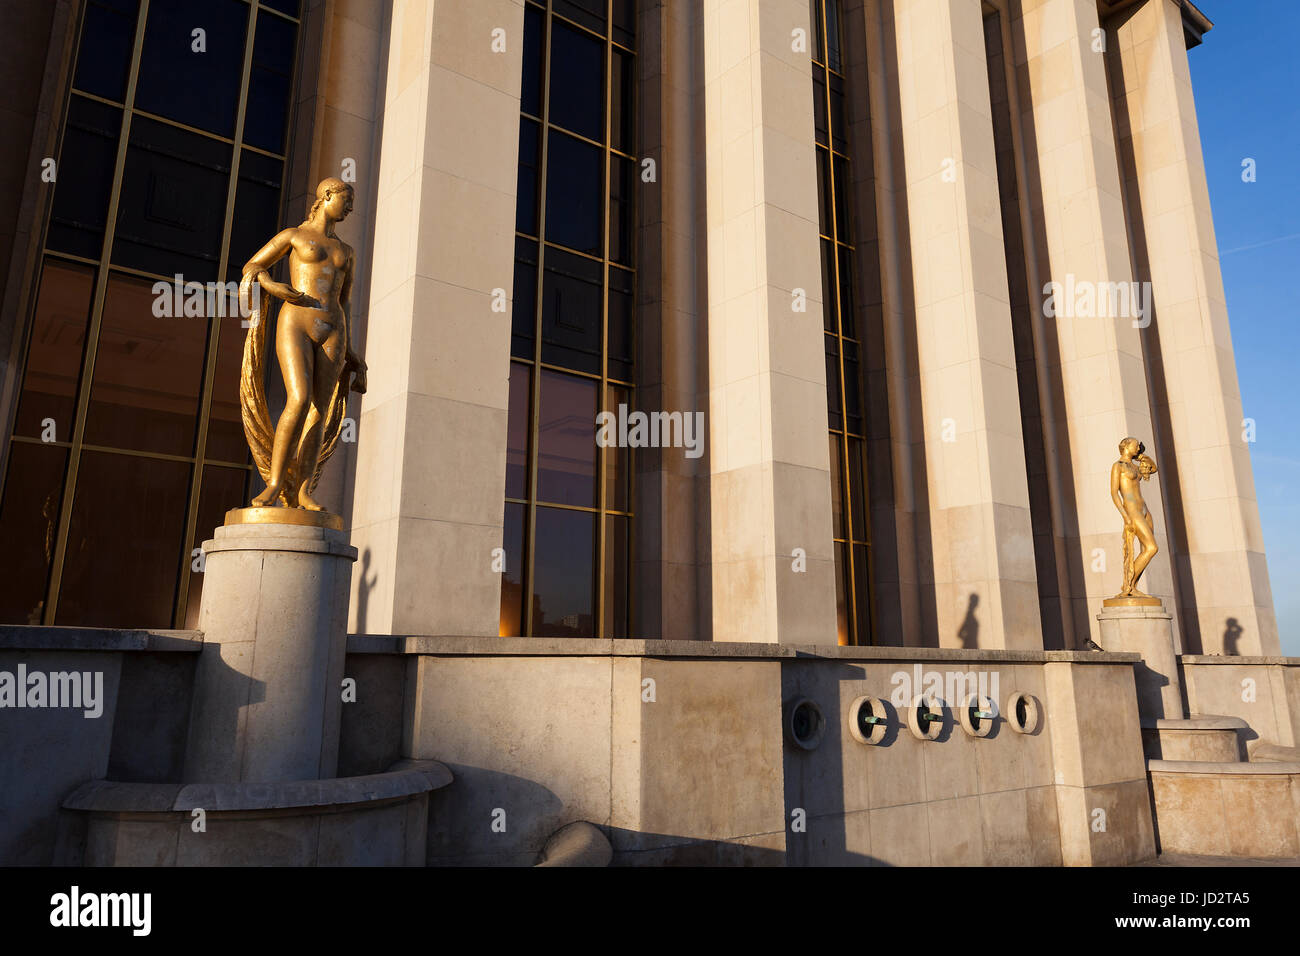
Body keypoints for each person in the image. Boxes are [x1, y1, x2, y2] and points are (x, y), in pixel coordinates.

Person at [239, 177, 366, 511]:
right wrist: (271, 285)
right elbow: (253, 265)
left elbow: (346, 301)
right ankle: (275, 483)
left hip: (333, 327)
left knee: (319, 412)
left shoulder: (346, 252)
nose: (350, 207)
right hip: (296, 320)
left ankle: (304, 491)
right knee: (299, 398)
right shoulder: (293, 236)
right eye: (346, 198)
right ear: (326, 196)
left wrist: (351, 348)